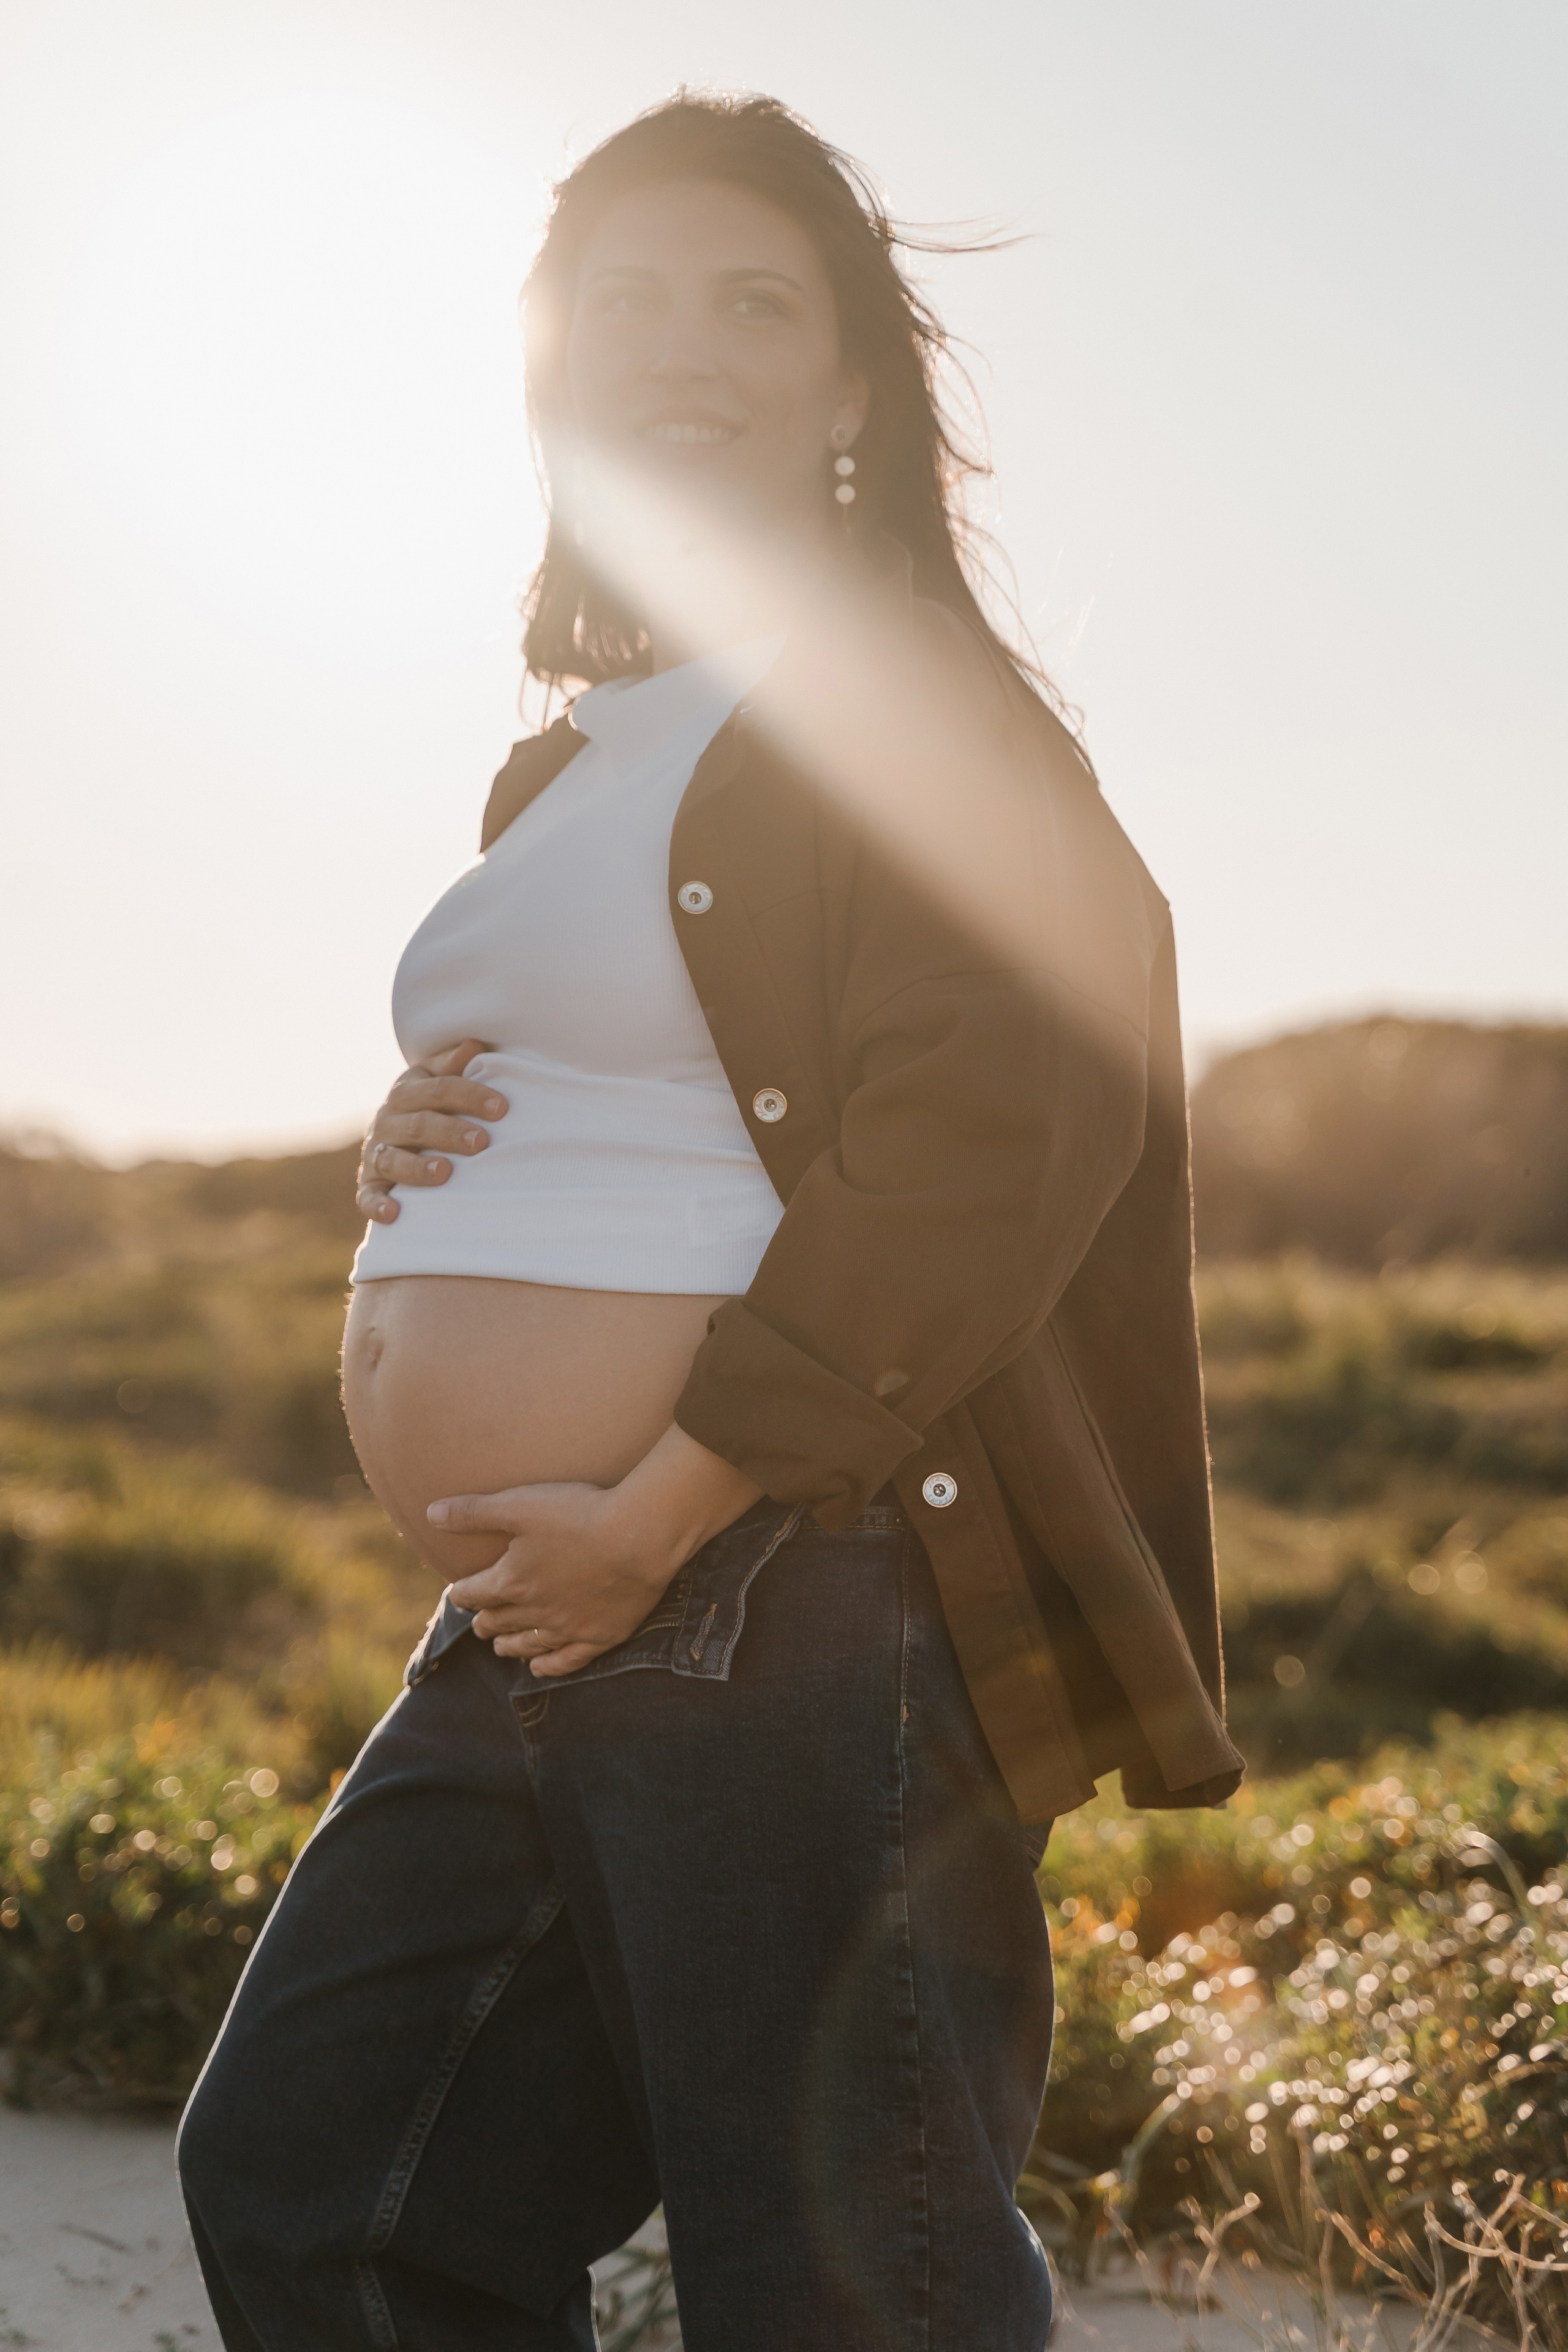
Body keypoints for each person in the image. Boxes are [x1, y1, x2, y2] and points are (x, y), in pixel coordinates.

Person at [176, 91, 1243, 2352]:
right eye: (631, 295)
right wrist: (426, 1148)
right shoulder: (582, 751)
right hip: (554, 1602)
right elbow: (664, 1066)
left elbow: (995, 1123)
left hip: (777, 1570)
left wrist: (668, 1502)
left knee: (849, 2280)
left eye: (755, 298)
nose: (685, 338)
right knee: (328, 2174)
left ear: (853, 387)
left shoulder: (905, 702)